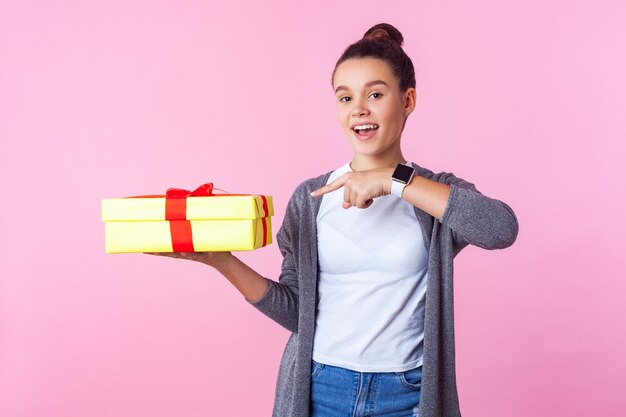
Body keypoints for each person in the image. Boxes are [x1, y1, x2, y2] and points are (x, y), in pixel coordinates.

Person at [147, 22, 519, 417]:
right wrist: (219, 261)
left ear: (408, 100)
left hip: (408, 394)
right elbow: (296, 311)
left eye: (375, 94)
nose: (359, 109)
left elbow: (501, 229)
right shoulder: (310, 200)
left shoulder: (434, 193)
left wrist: (394, 181)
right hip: (319, 388)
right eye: (345, 98)